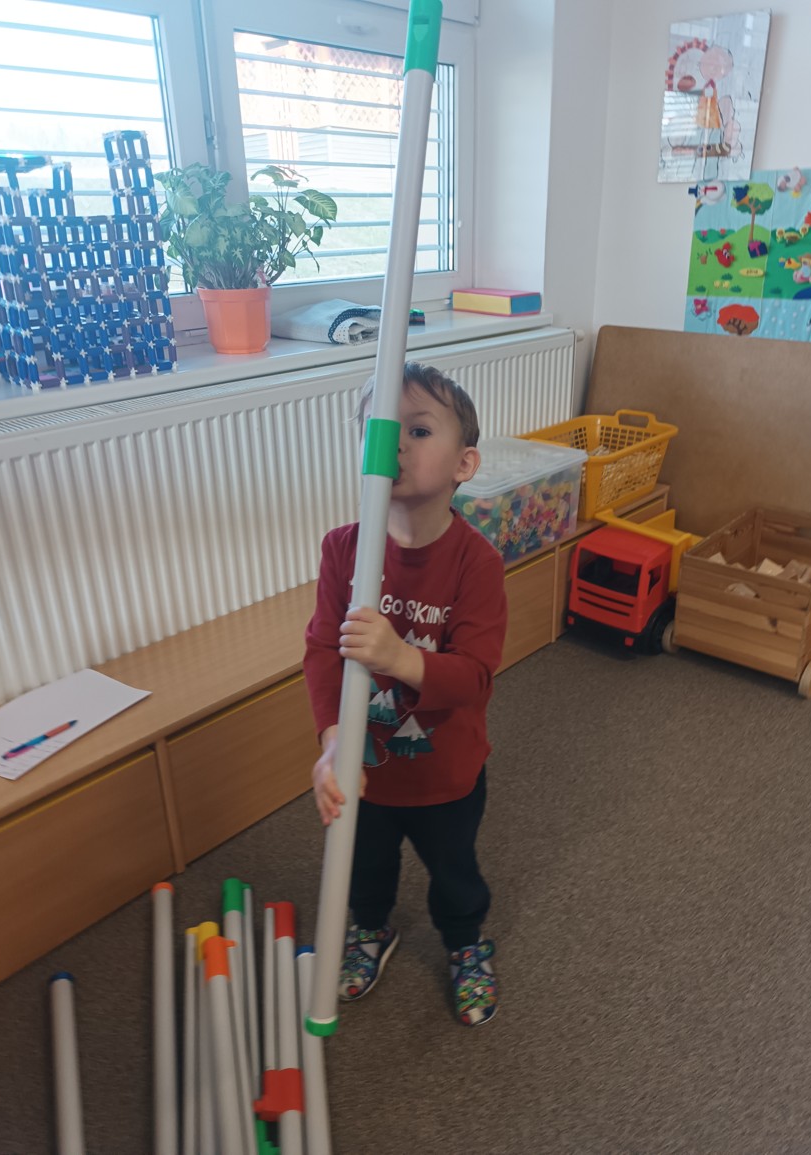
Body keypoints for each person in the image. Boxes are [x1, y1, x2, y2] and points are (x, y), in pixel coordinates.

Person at [303, 362, 508, 1027]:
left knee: (454, 871)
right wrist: (333, 742)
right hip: (367, 769)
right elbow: (322, 651)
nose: (394, 444)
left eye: (417, 430)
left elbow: (475, 675)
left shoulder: (477, 563)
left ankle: (465, 942)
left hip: (446, 773)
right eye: (380, 429)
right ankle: (371, 927)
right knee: (364, 865)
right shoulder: (343, 550)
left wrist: (400, 657)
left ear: (463, 463)